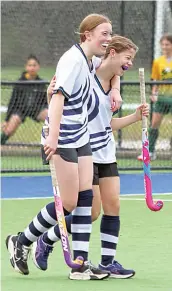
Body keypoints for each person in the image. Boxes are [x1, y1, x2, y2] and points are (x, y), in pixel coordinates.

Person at [6, 35, 148, 279]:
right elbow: (61, 94)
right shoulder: (85, 69)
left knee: (110, 206)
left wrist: (128, 106)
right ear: (111, 53)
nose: (130, 64)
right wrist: (52, 98)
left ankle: (106, 262)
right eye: (128, 58)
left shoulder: (114, 79)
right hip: (83, 148)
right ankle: (45, 240)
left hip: (105, 151)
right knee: (86, 209)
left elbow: (108, 115)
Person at [137, 33, 172, 161]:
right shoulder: (158, 62)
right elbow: (155, 80)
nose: (165, 47)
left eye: (167, 44)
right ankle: (150, 151)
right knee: (154, 123)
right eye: (162, 44)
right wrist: (154, 93)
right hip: (162, 98)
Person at [1, 55, 48, 145]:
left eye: (34, 65)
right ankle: (1, 142)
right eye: (30, 65)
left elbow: (45, 101)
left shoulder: (41, 83)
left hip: (36, 109)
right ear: (26, 67)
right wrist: (7, 120)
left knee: (50, 117)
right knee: (9, 130)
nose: (32, 68)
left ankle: (50, 144)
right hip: (20, 110)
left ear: (38, 67)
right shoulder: (19, 82)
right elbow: (12, 102)